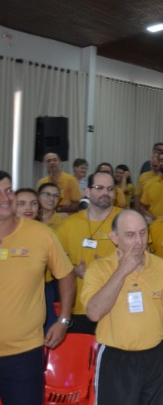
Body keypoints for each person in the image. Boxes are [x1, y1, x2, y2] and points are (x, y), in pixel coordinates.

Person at [82, 210, 163, 404]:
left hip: (156, 356)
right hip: (116, 359)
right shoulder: (99, 269)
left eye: (142, 232)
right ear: (114, 238)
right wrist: (122, 270)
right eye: (130, 235)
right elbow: (94, 313)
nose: (139, 241)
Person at [0, 170, 76, 405]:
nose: (5, 198)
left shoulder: (41, 235)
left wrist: (63, 320)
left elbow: (66, 275)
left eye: (8, 190)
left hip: (24, 354)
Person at [55, 171, 124, 334]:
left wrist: (111, 269)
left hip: (118, 305)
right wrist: (73, 270)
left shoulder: (125, 220)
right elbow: (56, 263)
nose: (105, 193)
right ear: (87, 192)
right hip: (79, 307)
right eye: (99, 188)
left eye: (110, 189)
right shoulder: (69, 224)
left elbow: (142, 257)